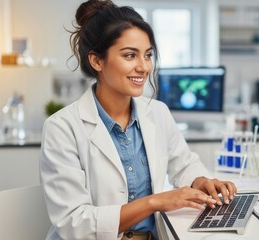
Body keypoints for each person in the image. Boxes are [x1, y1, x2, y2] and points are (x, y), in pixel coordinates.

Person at [39, 0, 237, 239]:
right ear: (97, 61)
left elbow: (183, 164)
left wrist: (201, 180)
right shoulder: (62, 128)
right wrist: (155, 202)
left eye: (148, 55)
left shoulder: (157, 112)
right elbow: (75, 223)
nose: (144, 67)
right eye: (130, 55)